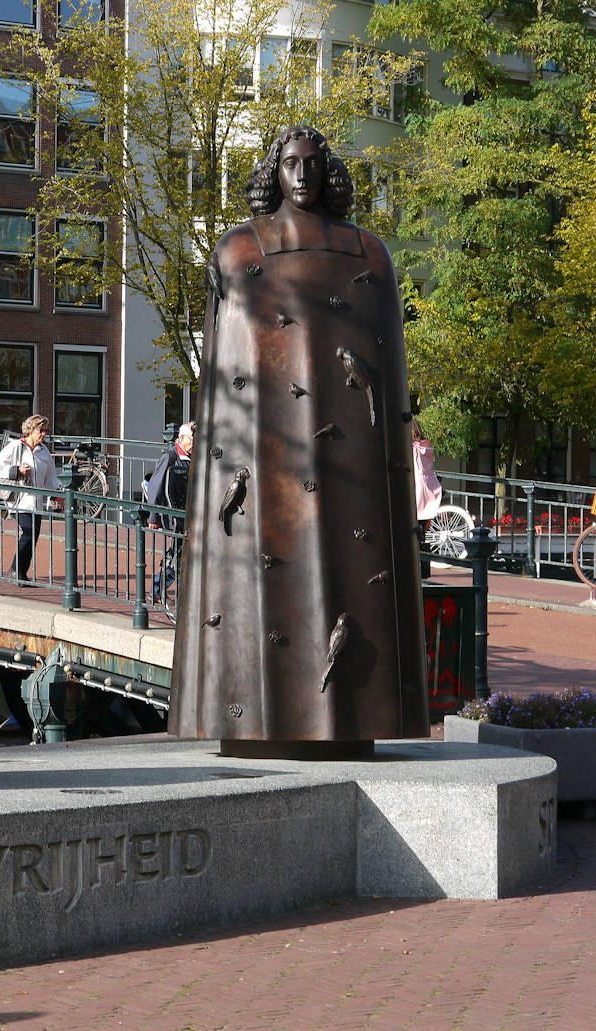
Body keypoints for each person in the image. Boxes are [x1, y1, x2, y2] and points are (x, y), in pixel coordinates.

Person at [170, 126, 428, 755]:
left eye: (313, 165)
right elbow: (227, 371)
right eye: (291, 164)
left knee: (352, 571)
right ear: (275, 172)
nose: (303, 175)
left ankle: (355, 716)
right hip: (263, 461)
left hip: (354, 469)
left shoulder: (372, 254)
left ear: (328, 172)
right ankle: (252, 715)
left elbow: (384, 367)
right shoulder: (237, 252)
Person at [0, 414, 61, 584]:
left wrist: (56, 494)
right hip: (20, 500)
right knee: (28, 533)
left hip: (36, 502)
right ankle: (15, 570)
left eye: (45, 430)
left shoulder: (44, 451)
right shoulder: (16, 446)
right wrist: (16, 471)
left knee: (33, 537)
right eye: (41, 430)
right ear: (30, 430)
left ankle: (21, 573)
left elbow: (51, 477)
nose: (44, 434)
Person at [145, 422, 195, 603]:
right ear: (181, 439)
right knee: (179, 553)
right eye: (192, 439)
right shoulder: (170, 457)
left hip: (189, 514)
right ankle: (157, 589)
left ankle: (159, 589)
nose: (195, 443)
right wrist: (154, 516)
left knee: (181, 552)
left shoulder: (194, 458)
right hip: (176, 515)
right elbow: (156, 487)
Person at [412, 419, 441, 577]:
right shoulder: (425, 448)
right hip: (429, 488)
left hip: (415, 489)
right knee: (422, 527)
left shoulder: (410, 449)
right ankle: (421, 567)